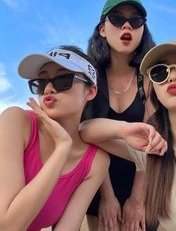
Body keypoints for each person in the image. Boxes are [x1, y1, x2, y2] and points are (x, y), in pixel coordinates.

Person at [80, 40, 176, 231]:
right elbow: (85, 131)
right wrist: (124, 129)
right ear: (154, 90)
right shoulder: (153, 148)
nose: (171, 76)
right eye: (159, 72)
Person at [0, 45, 110, 231]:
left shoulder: (96, 161)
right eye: (41, 82)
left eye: (63, 80)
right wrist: (62, 148)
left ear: (90, 91)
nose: (49, 89)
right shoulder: (16, 121)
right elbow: (8, 226)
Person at [83, 0, 156, 231]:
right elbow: (86, 138)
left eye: (135, 21)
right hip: (97, 183)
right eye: (117, 19)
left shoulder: (150, 78)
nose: (127, 25)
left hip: (144, 186)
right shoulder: (89, 78)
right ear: (103, 29)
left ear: (142, 30)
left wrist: (137, 200)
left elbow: (150, 144)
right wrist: (107, 197)